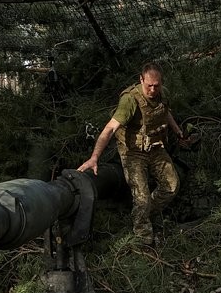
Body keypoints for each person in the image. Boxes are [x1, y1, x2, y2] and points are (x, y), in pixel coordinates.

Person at [77, 62, 184, 246]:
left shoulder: (161, 93)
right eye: (148, 85)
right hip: (133, 152)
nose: (152, 89)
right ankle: (143, 239)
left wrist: (178, 132)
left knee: (171, 186)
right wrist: (95, 157)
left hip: (155, 147)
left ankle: (143, 213)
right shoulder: (130, 100)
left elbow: (165, 112)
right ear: (140, 79)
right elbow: (110, 129)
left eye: (156, 85)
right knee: (141, 196)